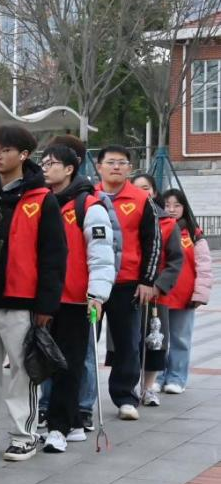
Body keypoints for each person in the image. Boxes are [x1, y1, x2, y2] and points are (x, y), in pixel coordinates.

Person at [0, 126, 67, 461]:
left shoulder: (42, 199)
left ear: (24, 155)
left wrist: (46, 305)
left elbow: (53, 256)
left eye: (5, 150)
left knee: (22, 369)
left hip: (21, 300)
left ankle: (23, 434)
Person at [39, 145, 114, 452]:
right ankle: (69, 422)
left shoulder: (89, 206)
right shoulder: (41, 202)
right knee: (44, 362)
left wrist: (97, 295)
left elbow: (101, 256)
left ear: (70, 169)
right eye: (43, 163)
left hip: (75, 300)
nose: (45, 168)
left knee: (69, 364)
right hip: (44, 297)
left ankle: (59, 428)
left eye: (52, 163)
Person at [95, 146, 160, 420]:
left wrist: (147, 280)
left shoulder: (141, 199)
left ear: (130, 169)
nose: (116, 167)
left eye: (122, 163)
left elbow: (152, 242)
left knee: (128, 343)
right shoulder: (89, 197)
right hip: (93, 285)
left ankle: (125, 397)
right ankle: (82, 400)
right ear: (99, 166)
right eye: (111, 162)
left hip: (128, 283)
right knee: (85, 342)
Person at [131, 174, 184, 408]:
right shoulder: (126, 218)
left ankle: (149, 387)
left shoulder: (168, 224)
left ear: (154, 192)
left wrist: (158, 286)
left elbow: (175, 261)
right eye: (137, 188)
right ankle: (128, 387)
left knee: (155, 341)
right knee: (127, 343)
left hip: (156, 295)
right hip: (129, 291)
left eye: (146, 188)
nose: (143, 193)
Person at [158, 188, 213, 393]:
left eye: (177, 205)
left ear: (184, 207)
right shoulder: (156, 228)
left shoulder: (193, 233)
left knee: (180, 339)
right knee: (157, 339)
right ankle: (157, 376)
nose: (171, 209)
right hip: (160, 295)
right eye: (167, 205)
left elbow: (204, 266)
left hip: (185, 297)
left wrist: (200, 294)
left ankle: (176, 378)